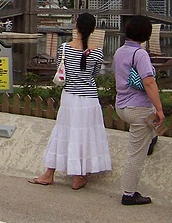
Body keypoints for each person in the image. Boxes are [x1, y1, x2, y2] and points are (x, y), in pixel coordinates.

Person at [29, 13, 111, 190]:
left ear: (76, 27)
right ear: (94, 29)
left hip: (69, 98)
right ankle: (78, 176)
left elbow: (61, 71)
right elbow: (95, 75)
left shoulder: (64, 48)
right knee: (85, 135)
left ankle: (49, 173)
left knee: (62, 133)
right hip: (89, 99)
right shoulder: (97, 52)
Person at [112, 15, 164, 206]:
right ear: (146, 34)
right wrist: (159, 109)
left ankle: (151, 139)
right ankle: (129, 193)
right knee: (135, 154)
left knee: (148, 131)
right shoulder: (140, 54)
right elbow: (149, 82)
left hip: (122, 106)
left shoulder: (119, 51)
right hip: (138, 108)